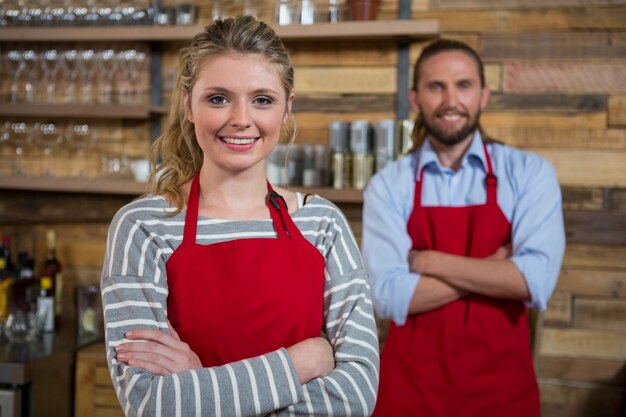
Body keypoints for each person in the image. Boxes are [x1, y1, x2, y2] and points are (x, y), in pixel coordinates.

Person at [101, 16, 379, 417]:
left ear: (286, 111)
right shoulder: (141, 227)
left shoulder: (323, 224)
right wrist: (305, 361)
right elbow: (151, 404)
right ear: (188, 105)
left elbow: (355, 397)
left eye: (262, 99)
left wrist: (204, 386)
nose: (241, 118)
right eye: (218, 98)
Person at [362, 39, 565, 417]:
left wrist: (428, 261)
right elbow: (387, 296)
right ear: (415, 97)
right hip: (409, 392)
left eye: (464, 85)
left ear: (484, 95)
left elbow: (533, 281)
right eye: (436, 86)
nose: (451, 100)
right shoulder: (388, 185)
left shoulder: (529, 173)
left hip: (503, 393)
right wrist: (495, 268)